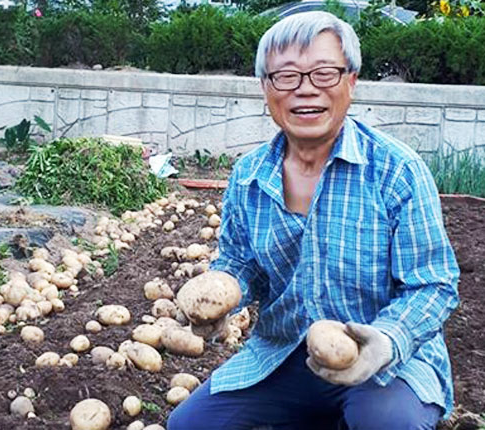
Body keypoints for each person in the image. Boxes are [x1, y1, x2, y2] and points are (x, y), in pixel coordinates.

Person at [167, 11, 459, 430]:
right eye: (286, 76)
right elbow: (240, 263)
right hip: (284, 352)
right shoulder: (248, 176)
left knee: (386, 422)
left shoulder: (397, 170)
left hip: (387, 364)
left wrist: (387, 341)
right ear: (266, 89)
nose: (306, 91)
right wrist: (224, 294)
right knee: (190, 425)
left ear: (351, 82)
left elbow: (433, 283)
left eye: (324, 74)